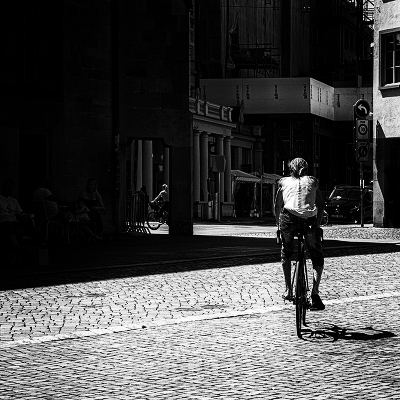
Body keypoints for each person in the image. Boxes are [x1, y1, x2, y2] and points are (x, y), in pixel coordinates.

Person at [274, 158, 325, 311]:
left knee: (286, 252)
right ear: (307, 169)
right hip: (309, 220)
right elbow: (321, 205)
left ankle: (289, 290)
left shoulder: (283, 182)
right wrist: (318, 224)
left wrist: (278, 225)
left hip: (288, 220)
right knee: (317, 255)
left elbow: (277, 206)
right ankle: (315, 292)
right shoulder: (313, 181)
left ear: (290, 169)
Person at [0, 179, 37, 263]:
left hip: (14, 222)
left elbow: (19, 213)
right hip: (3, 222)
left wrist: (26, 216)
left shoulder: (13, 201)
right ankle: (16, 246)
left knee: (25, 225)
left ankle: (35, 245)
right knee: (9, 225)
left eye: (11, 188)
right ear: (3, 187)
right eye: (8, 187)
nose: (10, 190)